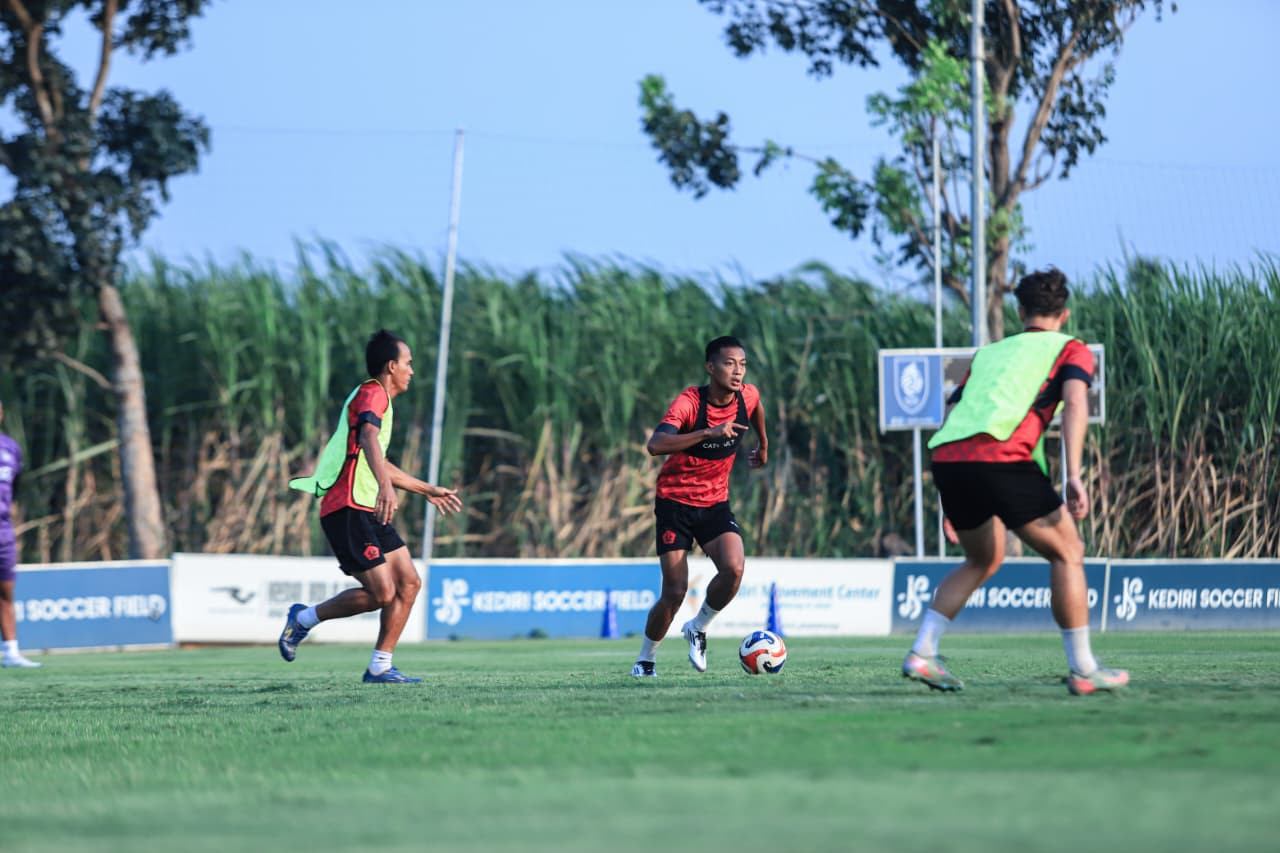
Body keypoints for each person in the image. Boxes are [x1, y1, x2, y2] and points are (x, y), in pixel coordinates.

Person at [903, 268, 1128, 696]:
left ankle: (923, 651)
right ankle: (1083, 669)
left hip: (948, 457)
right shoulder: (1072, 349)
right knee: (1068, 552)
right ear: (1064, 315)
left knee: (983, 558)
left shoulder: (988, 354)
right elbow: (1077, 403)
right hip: (1000, 455)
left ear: (1020, 311)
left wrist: (949, 502)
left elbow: (953, 417)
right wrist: (1075, 475)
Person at [280, 330, 463, 683]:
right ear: (391, 366)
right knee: (382, 593)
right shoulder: (371, 393)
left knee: (409, 584)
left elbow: (375, 456)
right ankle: (303, 619)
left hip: (367, 507)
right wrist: (384, 488)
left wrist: (426, 489)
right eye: (408, 364)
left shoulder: (383, 403)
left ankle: (380, 666)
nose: (412, 371)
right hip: (347, 507)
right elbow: (366, 439)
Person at [632, 336, 768, 677]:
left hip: (715, 503)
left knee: (734, 568)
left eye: (742, 364)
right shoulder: (690, 402)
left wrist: (763, 444)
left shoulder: (747, 395)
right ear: (710, 367)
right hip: (674, 503)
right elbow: (656, 444)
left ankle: (698, 627)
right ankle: (646, 659)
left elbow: (757, 406)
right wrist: (708, 432)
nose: (737, 371)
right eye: (728, 363)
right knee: (675, 592)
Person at [0, 401, 40, 668]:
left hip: (3, 529)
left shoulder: (11, 447)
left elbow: (16, 487)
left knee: (5, 592)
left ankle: (11, 652)